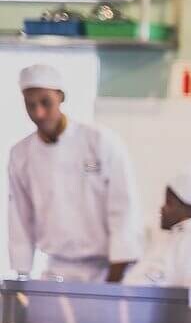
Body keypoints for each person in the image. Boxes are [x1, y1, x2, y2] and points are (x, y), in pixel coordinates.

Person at [8, 64, 142, 282]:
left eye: (45, 103)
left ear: (61, 97)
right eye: (30, 105)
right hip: (55, 270)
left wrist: (114, 279)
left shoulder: (99, 141)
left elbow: (123, 208)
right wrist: (22, 275)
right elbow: (20, 217)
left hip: (106, 269)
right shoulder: (21, 154)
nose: (38, 113)